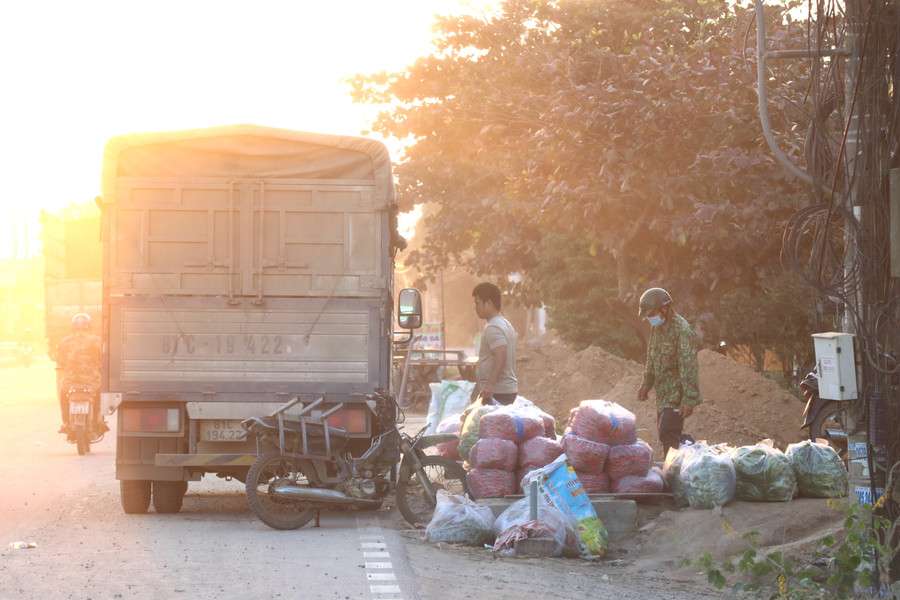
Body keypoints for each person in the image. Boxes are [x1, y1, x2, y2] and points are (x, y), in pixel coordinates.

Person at [636, 287, 701, 458]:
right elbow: (652, 357)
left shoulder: (683, 331)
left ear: (665, 308)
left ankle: (678, 469)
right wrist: (646, 383)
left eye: (652, 313)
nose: (650, 318)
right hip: (663, 393)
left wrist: (689, 398)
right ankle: (684, 459)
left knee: (667, 432)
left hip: (677, 393)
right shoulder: (657, 328)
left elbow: (689, 366)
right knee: (667, 436)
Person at [472, 282, 518, 405]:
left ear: (489, 303)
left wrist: (490, 385)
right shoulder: (504, 323)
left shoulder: (493, 327)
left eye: (477, 303)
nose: (475, 307)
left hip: (498, 392)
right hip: (504, 391)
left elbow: (501, 354)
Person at [56, 313, 102, 435]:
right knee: (99, 394)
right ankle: (99, 420)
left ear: (73, 327)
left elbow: (59, 359)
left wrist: (68, 366)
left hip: (71, 382)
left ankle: (66, 423)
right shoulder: (97, 340)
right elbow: (103, 359)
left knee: (63, 394)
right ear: (89, 326)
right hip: (92, 381)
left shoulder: (65, 341)